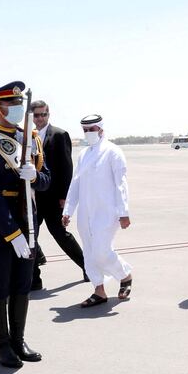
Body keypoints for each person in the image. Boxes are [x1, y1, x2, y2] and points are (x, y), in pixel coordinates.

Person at [0, 81, 50, 367]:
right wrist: (12, 234)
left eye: (18, 104)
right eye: (10, 104)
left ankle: (18, 339)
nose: (16, 109)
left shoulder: (31, 138)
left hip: (27, 223)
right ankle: (2, 345)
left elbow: (46, 179)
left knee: (22, 285)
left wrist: (34, 177)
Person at [61, 115, 132, 307]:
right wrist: (68, 209)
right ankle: (99, 290)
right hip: (86, 212)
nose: (88, 133)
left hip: (107, 211)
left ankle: (125, 274)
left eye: (92, 129)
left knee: (101, 251)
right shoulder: (83, 154)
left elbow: (121, 184)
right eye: (85, 130)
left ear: (100, 129)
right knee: (90, 254)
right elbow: (75, 184)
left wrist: (124, 212)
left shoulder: (113, 152)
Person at [30, 100, 86, 290]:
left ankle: (88, 267)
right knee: (30, 236)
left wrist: (65, 197)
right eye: (36, 115)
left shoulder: (59, 135)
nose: (40, 118)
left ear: (49, 114)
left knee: (61, 235)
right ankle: (34, 279)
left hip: (53, 197)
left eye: (43, 114)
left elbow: (66, 168)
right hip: (33, 198)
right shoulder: (26, 137)